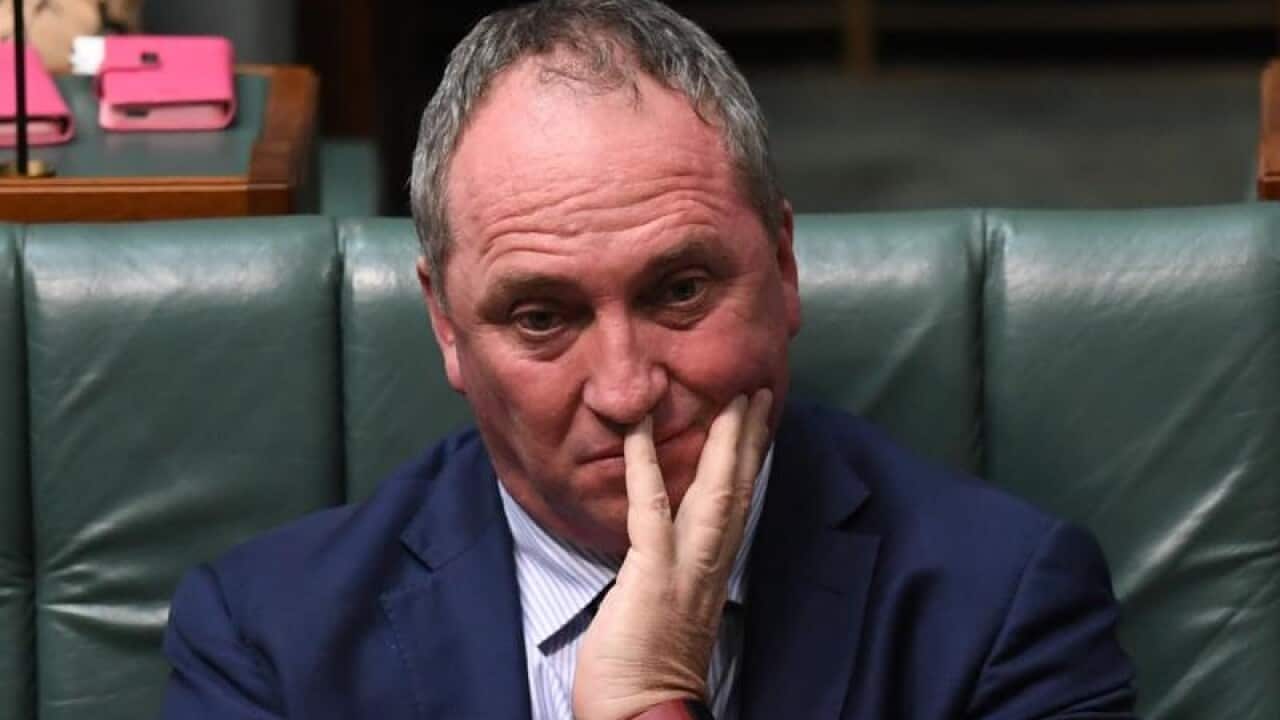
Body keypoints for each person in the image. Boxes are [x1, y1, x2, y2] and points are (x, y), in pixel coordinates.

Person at [160, 1, 1137, 718]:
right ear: (447, 328)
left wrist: (650, 701)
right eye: (541, 317)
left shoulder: (1005, 608)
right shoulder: (265, 641)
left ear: (783, 268)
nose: (627, 390)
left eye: (678, 292)